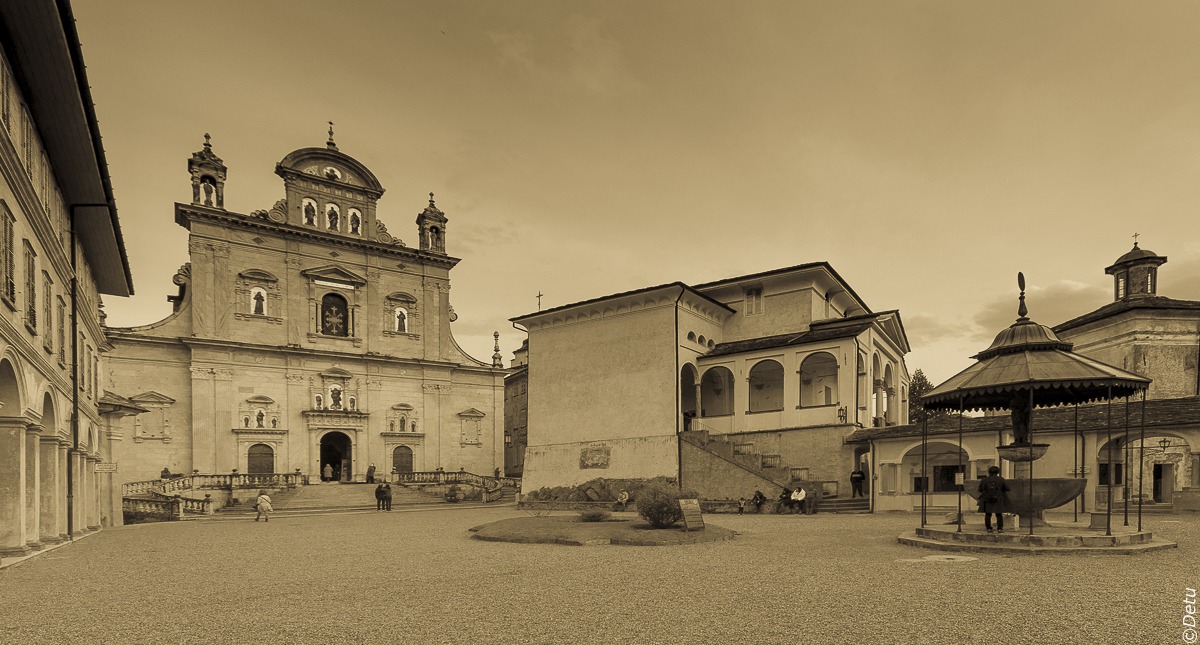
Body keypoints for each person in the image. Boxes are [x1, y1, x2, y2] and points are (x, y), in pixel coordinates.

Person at [978, 465, 1010, 533]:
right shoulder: (1001, 479)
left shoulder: (984, 480)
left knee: (988, 514)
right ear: (998, 472)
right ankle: (1000, 528)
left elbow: (980, 489)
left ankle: (988, 528)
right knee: (999, 514)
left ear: (989, 472)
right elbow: (1007, 488)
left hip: (987, 499)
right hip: (998, 499)